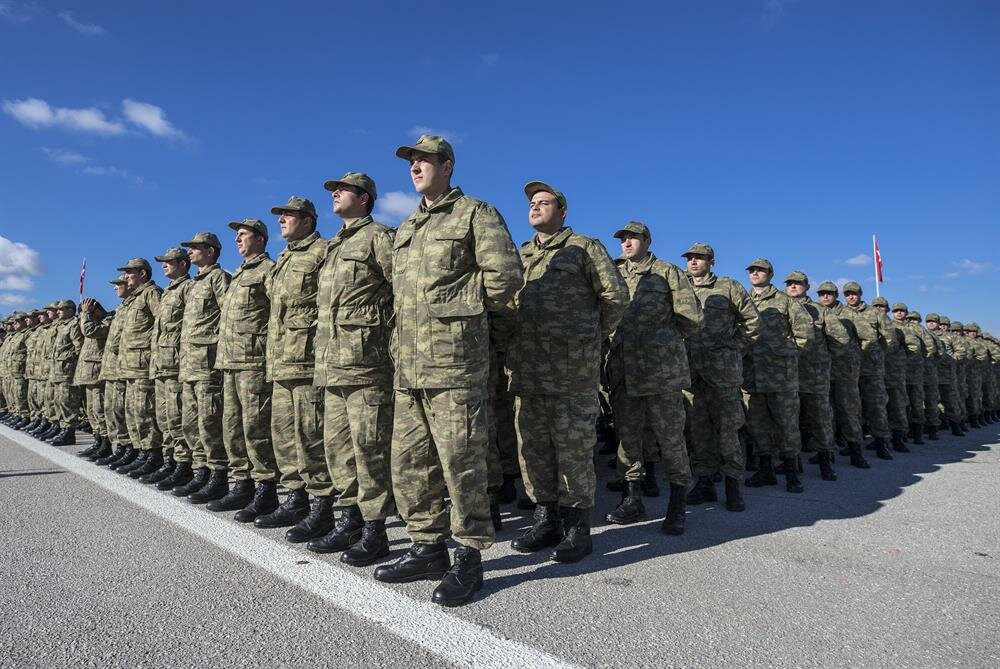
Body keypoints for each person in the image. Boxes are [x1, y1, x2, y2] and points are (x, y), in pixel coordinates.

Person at [372, 135, 523, 607]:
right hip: (410, 365)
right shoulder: (408, 226)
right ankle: (426, 547)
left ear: (448, 165)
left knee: (462, 462)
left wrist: (461, 318)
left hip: (455, 363)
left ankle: (469, 557)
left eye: (425, 160)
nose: (416, 167)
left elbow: (505, 278)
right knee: (410, 464)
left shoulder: (476, 213)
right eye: (412, 161)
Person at [505, 181, 627, 559]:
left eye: (545, 202)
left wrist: (589, 338)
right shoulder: (521, 254)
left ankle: (577, 528)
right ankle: (546, 520)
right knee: (534, 450)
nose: (536, 207)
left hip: (572, 372)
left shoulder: (584, 248)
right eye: (532, 203)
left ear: (562, 212)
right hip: (527, 371)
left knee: (573, 451)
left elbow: (616, 297)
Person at [307, 172, 396, 565]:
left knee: (369, 450)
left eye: (341, 190)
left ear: (364, 199)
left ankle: (376, 531)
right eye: (333, 190)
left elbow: (403, 291)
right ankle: (351, 520)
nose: (335, 194)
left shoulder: (379, 236)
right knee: (338, 450)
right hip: (332, 365)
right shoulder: (333, 247)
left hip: (367, 365)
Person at [603, 221, 701, 533]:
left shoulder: (667, 272)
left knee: (670, 439)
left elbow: (692, 318)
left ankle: (677, 505)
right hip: (624, 371)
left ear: (647, 240)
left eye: (632, 238)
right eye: (622, 239)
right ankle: (633, 500)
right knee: (627, 440)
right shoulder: (616, 275)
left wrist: (660, 341)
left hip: (660, 373)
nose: (626, 243)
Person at [257, 196, 334, 543]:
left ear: (308, 220)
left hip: (306, 361)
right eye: (281, 216)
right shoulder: (284, 259)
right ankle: (296, 497)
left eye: (288, 215)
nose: (282, 220)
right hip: (281, 361)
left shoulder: (324, 252)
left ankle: (322, 504)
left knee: (310, 435)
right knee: (284, 436)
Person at [210, 219, 280, 522]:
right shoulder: (238, 274)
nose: (237, 239)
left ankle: (265, 488)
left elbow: (279, 313)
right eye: (236, 235)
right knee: (232, 426)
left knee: (255, 427)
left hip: (253, 361)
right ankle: (242, 483)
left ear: (261, 239)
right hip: (230, 362)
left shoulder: (268, 270)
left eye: (243, 234)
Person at [682, 243, 758, 510]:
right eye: (690, 258)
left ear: (711, 261)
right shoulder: (681, 287)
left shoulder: (729, 286)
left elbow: (752, 321)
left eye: (699, 258)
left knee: (728, 428)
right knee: (698, 429)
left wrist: (733, 346)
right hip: (691, 370)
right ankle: (703, 483)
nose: (693, 262)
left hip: (722, 371)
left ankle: (732, 485)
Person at [742, 259, 814, 493]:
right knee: (757, 424)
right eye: (752, 270)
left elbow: (804, 333)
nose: (755, 273)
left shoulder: (785, 301)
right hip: (752, 373)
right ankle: (766, 470)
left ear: (770, 274)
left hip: (780, 376)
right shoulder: (744, 299)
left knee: (787, 424)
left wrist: (786, 353)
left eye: (760, 270)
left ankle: (792, 472)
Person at [175, 232, 232, 503]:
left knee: (208, 422)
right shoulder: (195, 284)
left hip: (207, 363)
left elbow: (228, 315)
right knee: (190, 423)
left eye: (195, 248)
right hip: (188, 364)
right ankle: (200, 472)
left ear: (210, 251)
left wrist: (216, 347)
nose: (189, 252)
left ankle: (217, 476)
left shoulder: (218, 279)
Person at [785, 271, 850, 479]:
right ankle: (793, 463)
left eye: (798, 283)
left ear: (806, 286)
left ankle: (825, 461)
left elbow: (840, 339)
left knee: (820, 419)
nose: (793, 287)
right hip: (785, 374)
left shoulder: (820, 311)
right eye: (790, 284)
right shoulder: (780, 307)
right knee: (789, 420)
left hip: (814, 376)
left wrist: (821, 359)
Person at [143, 247, 191, 484]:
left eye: (169, 261)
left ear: (183, 264)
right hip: (162, 363)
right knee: (163, 417)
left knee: (176, 416)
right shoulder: (168, 293)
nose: (164, 265)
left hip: (176, 363)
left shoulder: (187, 288)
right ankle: (170, 461)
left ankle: (183, 465)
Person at [113, 258, 163, 473]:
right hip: (130, 365)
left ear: (143, 273)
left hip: (142, 364)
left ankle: (153, 455)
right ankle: (141, 452)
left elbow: (161, 324)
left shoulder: (152, 293)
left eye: (129, 272)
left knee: (144, 411)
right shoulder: (134, 299)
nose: (125, 277)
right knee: (133, 411)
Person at [815, 282, 871, 468]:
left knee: (849, 411)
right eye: (822, 293)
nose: (825, 297)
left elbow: (869, 336)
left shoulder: (849, 314)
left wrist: (854, 354)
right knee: (825, 412)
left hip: (845, 371)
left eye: (829, 294)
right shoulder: (814, 311)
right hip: (822, 371)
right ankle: (827, 450)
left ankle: (856, 451)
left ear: (836, 295)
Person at [842, 282, 894, 460]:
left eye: (854, 293)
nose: (851, 297)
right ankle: (854, 442)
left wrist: (876, 354)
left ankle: (881, 442)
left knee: (876, 405)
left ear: (861, 294)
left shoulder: (875, 313)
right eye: (847, 294)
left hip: (871, 367)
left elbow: (889, 338)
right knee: (853, 407)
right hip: (849, 368)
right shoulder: (840, 313)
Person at [94, 276, 133, 464]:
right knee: (111, 409)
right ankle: (120, 447)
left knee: (123, 410)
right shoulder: (121, 309)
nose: (116, 288)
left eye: (119, 284)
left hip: (127, 367)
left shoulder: (147, 297)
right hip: (114, 367)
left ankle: (129, 449)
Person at [73, 300, 112, 458]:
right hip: (87, 374)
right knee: (90, 411)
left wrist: (86, 314)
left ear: (95, 310)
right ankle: (97, 441)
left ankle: (106, 444)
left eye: (88, 310)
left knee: (99, 410)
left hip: (97, 374)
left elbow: (90, 331)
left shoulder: (108, 321)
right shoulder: (89, 321)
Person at [872, 297, 911, 452]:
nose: (879, 309)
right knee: (877, 406)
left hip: (893, 371)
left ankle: (898, 438)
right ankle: (879, 438)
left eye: (882, 307)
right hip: (874, 370)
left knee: (897, 404)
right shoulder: (870, 322)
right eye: (876, 306)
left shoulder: (897, 327)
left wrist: (902, 362)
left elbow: (911, 348)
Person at [46, 299, 84, 446]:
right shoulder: (61, 326)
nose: (58, 311)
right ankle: (61, 429)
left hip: (68, 371)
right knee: (58, 401)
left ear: (70, 310)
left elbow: (79, 347)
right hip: (57, 371)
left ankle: (69, 432)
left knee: (68, 401)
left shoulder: (73, 325)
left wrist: (71, 362)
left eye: (62, 309)